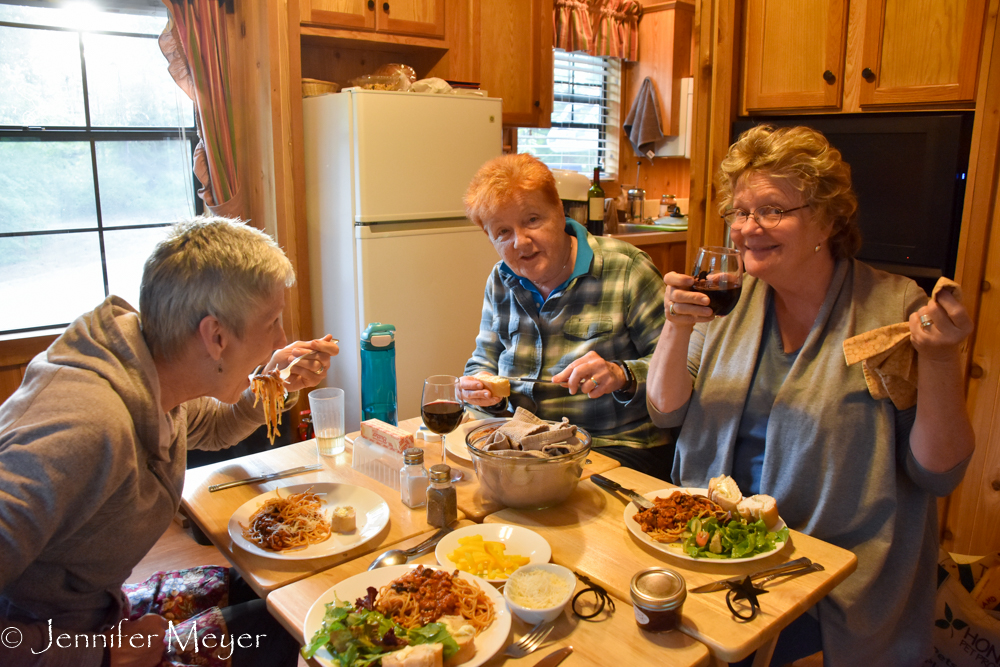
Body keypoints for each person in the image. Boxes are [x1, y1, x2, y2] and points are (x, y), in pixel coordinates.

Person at [646, 125, 974, 666]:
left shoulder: (891, 309)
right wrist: (675, 326)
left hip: (825, 580)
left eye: (772, 210)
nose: (749, 229)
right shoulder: (727, 294)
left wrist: (940, 360)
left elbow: (937, 472)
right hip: (704, 548)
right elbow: (667, 409)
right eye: (741, 211)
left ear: (827, 218)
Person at [0, 217, 340, 667]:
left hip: (104, 608)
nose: (282, 338)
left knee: (275, 593)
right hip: (54, 642)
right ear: (216, 336)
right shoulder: (81, 429)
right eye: (272, 322)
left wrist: (271, 380)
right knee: (287, 631)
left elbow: (219, 428)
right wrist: (98, 654)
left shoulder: (152, 371)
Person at [459, 153, 672, 477]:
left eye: (532, 220)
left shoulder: (627, 269)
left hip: (614, 449)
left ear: (559, 212)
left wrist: (621, 375)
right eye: (503, 232)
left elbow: (679, 370)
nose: (521, 241)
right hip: (524, 446)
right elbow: (484, 359)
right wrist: (479, 389)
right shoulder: (500, 280)